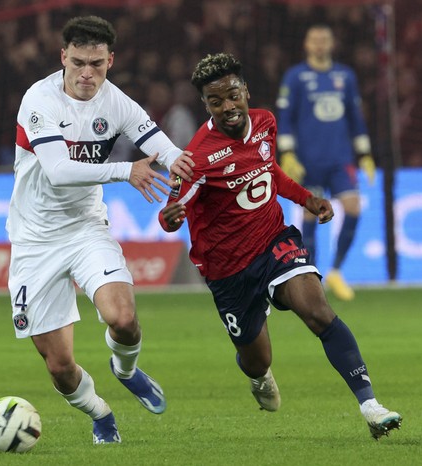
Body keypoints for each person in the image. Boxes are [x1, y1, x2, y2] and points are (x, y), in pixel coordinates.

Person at [159, 53, 401, 440]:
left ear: (245, 91)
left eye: (233, 95)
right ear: (206, 105)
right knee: (257, 359)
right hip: (228, 270)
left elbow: (268, 170)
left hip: (274, 241)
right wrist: (168, 218)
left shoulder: (266, 123)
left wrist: (306, 199)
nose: (228, 107)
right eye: (216, 101)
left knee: (318, 311)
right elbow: (174, 208)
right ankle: (258, 375)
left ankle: (371, 406)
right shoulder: (198, 157)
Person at [7, 16, 193, 445]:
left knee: (124, 320)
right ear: (63, 58)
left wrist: (202, 167)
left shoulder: (117, 103)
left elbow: (166, 150)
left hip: (86, 228)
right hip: (34, 240)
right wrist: (126, 170)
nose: (87, 74)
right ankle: (101, 415)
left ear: (111, 60)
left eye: (96, 64)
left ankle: (125, 370)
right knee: (59, 366)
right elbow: (57, 170)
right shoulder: (39, 100)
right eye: (77, 63)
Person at [275, 23, 376, 301]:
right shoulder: (295, 77)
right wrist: (287, 153)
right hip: (309, 160)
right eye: (314, 40)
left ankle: (336, 271)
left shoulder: (345, 76)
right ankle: (312, 276)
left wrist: (365, 153)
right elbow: (286, 118)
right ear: (307, 45)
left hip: (340, 158)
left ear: (331, 44)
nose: (319, 44)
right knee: (311, 214)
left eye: (324, 40)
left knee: (353, 207)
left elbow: (355, 118)